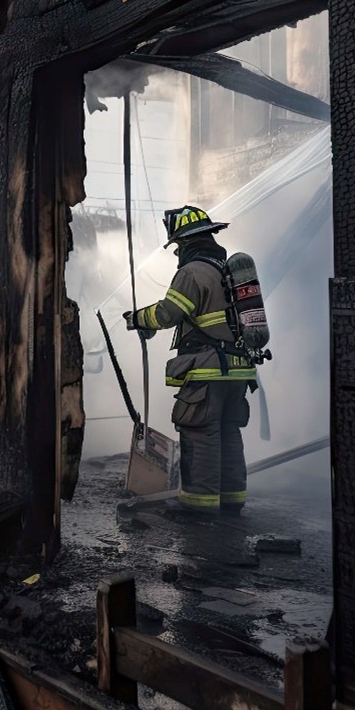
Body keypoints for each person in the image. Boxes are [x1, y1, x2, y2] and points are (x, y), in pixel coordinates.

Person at [124, 206, 256, 516]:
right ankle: (232, 498)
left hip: (208, 368)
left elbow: (166, 314)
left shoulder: (192, 271)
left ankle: (199, 507)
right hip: (237, 369)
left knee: (201, 433)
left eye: (178, 246)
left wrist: (136, 319)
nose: (177, 253)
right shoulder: (225, 267)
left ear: (186, 242)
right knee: (227, 433)